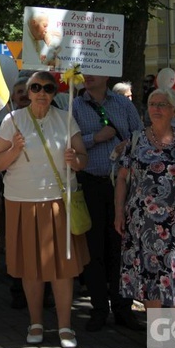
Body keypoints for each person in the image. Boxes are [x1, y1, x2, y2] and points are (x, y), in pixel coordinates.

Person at [0, 72, 89, 348]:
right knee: (31, 269)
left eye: (48, 87)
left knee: (63, 269)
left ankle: (65, 326)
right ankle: (35, 322)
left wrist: (76, 160)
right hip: (21, 201)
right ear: (28, 91)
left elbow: (83, 158)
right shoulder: (13, 120)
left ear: (55, 91)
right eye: (35, 87)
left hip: (58, 201)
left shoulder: (65, 117)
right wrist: (14, 149)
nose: (41, 92)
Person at [114, 88, 175, 309]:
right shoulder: (136, 140)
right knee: (149, 273)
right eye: (152, 104)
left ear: (174, 110)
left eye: (162, 104)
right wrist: (119, 212)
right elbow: (121, 178)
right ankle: (156, 332)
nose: (155, 109)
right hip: (143, 221)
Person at [71, 74, 143, 332]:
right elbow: (70, 145)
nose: (87, 77)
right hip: (91, 184)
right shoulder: (75, 106)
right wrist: (96, 138)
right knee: (94, 250)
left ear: (105, 73)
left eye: (93, 71)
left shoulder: (123, 104)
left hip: (122, 188)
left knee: (121, 249)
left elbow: (140, 137)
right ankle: (99, 309)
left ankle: (124, 309)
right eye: (84, 72)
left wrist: (129, 145)